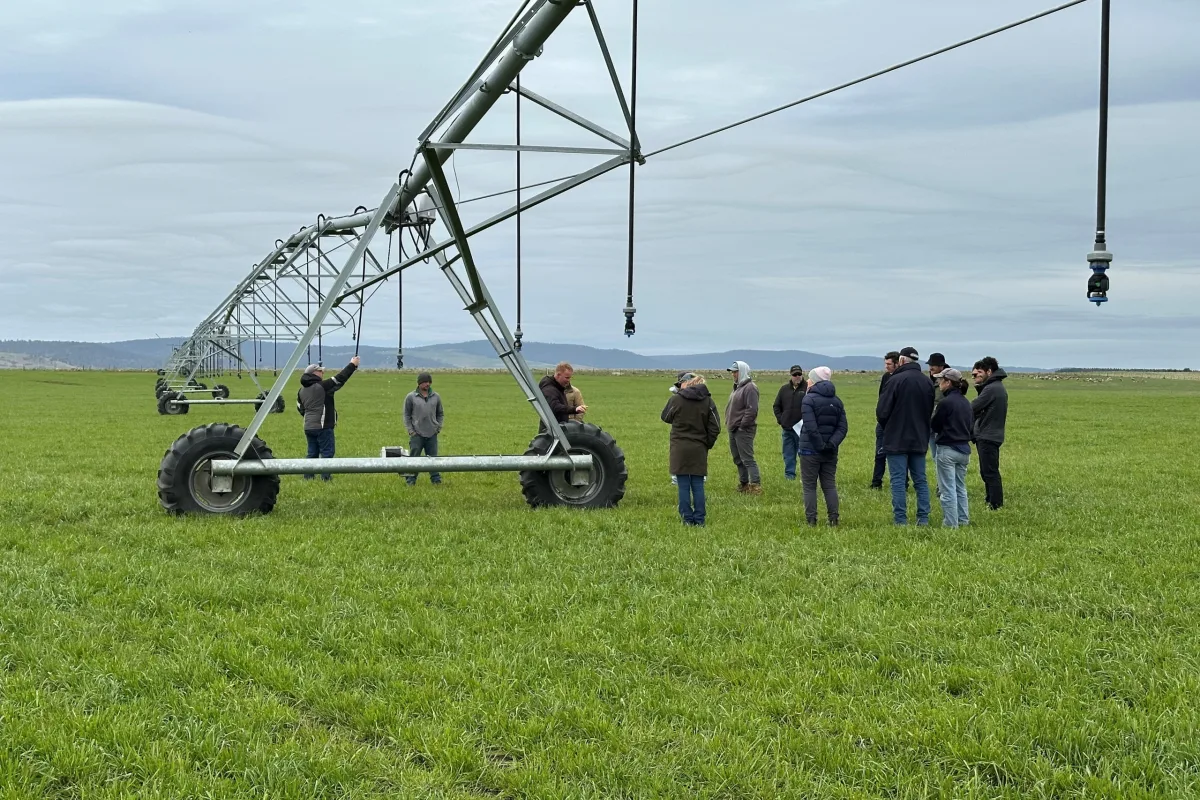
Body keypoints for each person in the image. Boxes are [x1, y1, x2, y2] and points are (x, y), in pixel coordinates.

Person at [876, 346, 934, 525]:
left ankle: (901, 520)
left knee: (898, 482)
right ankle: (923, 518)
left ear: (901, 360)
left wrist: (890, 428)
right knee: (920, 480)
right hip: (919, 438)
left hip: (896, 439)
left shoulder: (895, 380)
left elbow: (882, 411)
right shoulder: (927, 382)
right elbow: (930, 410)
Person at [661, 374, 721, 526]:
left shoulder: (676, 400)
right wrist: (706, 443)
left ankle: (687, 518)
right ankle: (700, 519)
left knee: (683, 485)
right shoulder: (708, 401)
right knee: (698, 484)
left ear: (687, 384)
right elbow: (716, 427)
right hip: (699, 447)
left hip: (679, 447)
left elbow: (665, 417)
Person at [798, 366, 848, 527]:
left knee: (809, 486)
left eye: (810, 378)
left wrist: (819, 444)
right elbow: (842, 427)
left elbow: (810, 426)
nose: (807, 381)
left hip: (809, 450)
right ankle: (833, 518)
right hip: (830, 452)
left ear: (816, 381)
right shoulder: (837, 401)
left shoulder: (808, 400)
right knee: (829, 485)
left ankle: (811, 520)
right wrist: (831, 444)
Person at [296, 356, 360, 481]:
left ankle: (308, 477)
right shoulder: (323, 386)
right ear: (313, 374)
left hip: (308, 426)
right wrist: (352, 364)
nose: (323, 373)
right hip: (323, 426)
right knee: (327, 452)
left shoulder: (301, 390)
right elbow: (340, 378)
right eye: (320, 371)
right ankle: (326, 478)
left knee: (312, 453)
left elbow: (300, 408)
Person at [930, 368, 972, 528]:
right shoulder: (965, 402)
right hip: (964, 450)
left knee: (947, 489)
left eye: (941, 380)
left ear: (948, 382)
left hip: (947, 449)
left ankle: (950, 524)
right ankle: (963, 520)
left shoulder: (945, 403)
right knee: (960, 488)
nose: (939, 383)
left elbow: (935, 424)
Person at [971, 356, 1009, 510]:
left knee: (989, 471)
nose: (976, 376)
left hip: (988, 435)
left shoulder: (991, 388)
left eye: (979, 373)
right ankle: (990, 499)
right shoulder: (996, 386)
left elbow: (973, 407)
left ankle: (995, 504)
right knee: (987, 470)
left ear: (989, 371)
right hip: (992, 433)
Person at [724, 360, 761, 494]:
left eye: (735, 371)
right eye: (732, 372)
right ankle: (744, 484)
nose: (733, 374)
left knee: (747, 458)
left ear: (743, 371)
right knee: (738, 458)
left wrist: (742, 425)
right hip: (733, 428)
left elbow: (752, 410)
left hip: (743, 429)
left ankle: (755, 485)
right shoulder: (738, 387)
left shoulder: (750, 387)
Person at [403, 372, 445, 486]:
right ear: (419, 383)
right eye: (425, 382)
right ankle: (410, 480)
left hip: (432, 433)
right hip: (417, 434)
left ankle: (436, 480)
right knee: (414, 458)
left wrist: (438, 427)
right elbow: (406, 415)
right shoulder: (411, 397)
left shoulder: (436, 397)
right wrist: (411, 431)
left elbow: (440, 414)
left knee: (433, 458)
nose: (427, 384)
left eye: (429, 382)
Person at [870, 351, 901, 489]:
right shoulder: (885, 377)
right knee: (880, 452)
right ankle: (876, 482)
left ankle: (902, 483)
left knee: (899, 454)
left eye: (889, 364)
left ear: (897, 363)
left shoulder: (902, 378)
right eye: (885, 364)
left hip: (897, 423)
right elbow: (882, 398)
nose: (886, 367)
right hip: (883, 422)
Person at [772, 365, 807, 480]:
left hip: (803, 429)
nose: (797, 377)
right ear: (791, 375)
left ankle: (806, 476)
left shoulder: (808, 388)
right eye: (794, 375)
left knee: (805, 454)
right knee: (788, 454)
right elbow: (776, 406)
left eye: (799, 374)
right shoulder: (784, 389)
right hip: (787, 429)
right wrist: (781, 420)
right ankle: (789, 476)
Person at [538, 361, 586, 428]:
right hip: (552, 429)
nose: (568, 380)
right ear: (558, 375)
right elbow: (555, 406)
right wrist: (574, 409)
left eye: (570, 378)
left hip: (558, 426)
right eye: (567, 377)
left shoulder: (558, 386)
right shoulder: (549, 389)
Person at [926, 352, 948, 487]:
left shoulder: (946, 382)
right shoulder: (933, 380)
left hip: (940, 426)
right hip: (931, 425)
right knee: (936, 457)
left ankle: (943, 487)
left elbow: (940, 404)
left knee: (941, 458)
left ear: (941, 366)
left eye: (933, 366)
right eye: (930, 366)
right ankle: (941, 486)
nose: (930, 369)